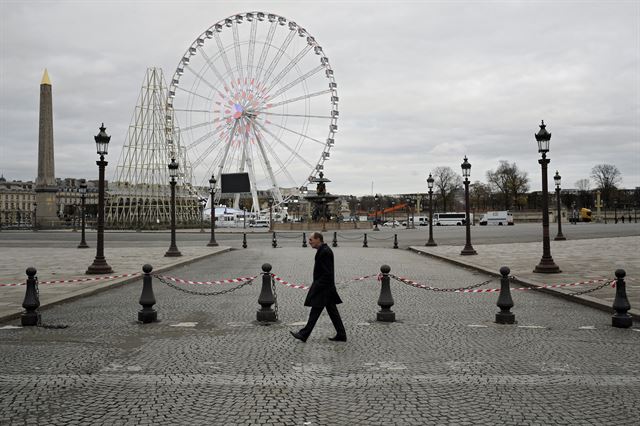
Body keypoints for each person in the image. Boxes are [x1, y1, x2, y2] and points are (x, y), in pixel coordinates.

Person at [290, 232, 346, 342]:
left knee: (315, 311)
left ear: (318, 239)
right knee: (332, 312)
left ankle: (304, 334)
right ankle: (341, 334)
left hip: (324, 288)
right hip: (326, 288)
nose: (309, 242)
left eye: (311, 240)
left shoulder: (325, 252)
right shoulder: (323, 250)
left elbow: (327, 273)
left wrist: (317, 285)